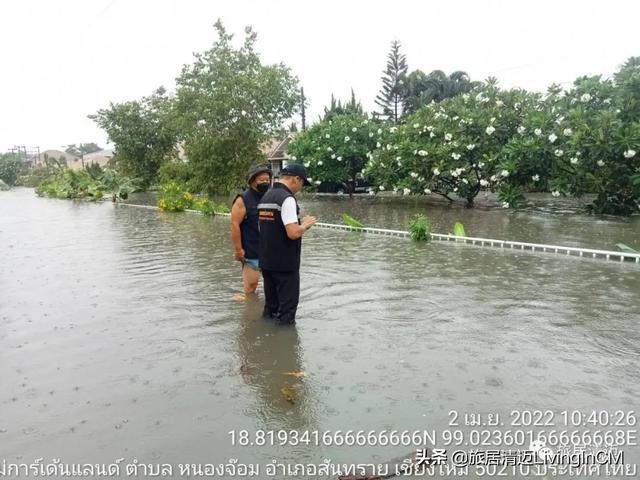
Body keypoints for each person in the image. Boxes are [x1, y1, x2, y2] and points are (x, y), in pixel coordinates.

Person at [258, 163, 317, 325]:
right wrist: (305, 224)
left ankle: (265, 343)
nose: (301, 187)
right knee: (286, 313)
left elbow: (267, 228)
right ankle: (284, 346)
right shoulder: (287, 199)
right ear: (296, 179)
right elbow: (292, 233)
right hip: (285, 266)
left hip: (267, 263)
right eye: (302, 183)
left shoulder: (266, 197)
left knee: (271, 308)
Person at [230, 164, 273, 297]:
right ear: (252, 181)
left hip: (270, 249)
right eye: (261, 180)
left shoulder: (271, 196)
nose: (265, 182)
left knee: (272, 285)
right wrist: (238, 250)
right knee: (251, 287)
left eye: (267, 180)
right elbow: (234, 224)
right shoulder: (242, 200)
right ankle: (250, 313)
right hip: (251, 250)